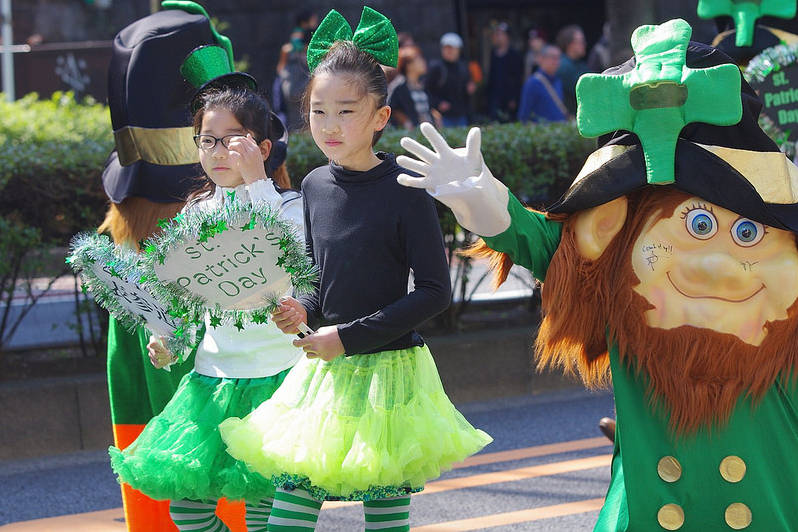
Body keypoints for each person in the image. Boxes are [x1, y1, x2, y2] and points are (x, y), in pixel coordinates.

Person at [398, 18, 798, 531]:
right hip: (650, 511)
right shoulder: (616, 240)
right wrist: (482, 200)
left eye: (742, 232)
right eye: (695, 224)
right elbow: (542, 243)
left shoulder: (782, 229)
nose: (714, 262)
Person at [219, 8, 492, 531]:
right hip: (324, 375)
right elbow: (322, 281)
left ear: (380, 118)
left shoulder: (407, 186)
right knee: (288, 518)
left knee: (384, 522)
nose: (330, 126)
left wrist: (345, 337)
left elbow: (435, 292)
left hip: (390, 378)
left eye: (346, 111)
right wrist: (304, 307)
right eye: (318, 112)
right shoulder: (316, 185)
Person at [109, 54, 305, 532]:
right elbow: (191, 303)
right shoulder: (195, 215)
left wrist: (258, 183)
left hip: (281, 375)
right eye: (207, 140)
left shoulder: (292, 206)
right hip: (212, 378)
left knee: (264, 511)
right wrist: (171, 340)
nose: (218, 152)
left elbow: (293, 258)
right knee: (190, 511)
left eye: (232, 140)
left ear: (262, 146)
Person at [276, 10, 318, 132]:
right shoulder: (299, 38)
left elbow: (280, 67)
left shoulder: (292, 45)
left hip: (292, 85)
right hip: (297, 84)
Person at [427, 32, 475, 128]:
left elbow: (467, 90)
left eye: (452, 48)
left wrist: (470, 89)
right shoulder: (436, 67)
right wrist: (438, 103)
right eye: (446, 48)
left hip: (461, 116)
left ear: (459, 50)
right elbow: (427, 90)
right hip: (442, 117)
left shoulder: (464, 67)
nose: (449, 51)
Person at [388, 45, 440, 129]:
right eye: (419, 60)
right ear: (409, 65)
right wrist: (405, 121)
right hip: (412, 135)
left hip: (428, 132)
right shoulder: (399, 87)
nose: (423, 62)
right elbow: (390, 109)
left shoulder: (422, 85)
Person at [517, 44, 568, 123]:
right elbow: (524, 114)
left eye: (559, 58)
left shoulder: (558, 81)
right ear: (541, 58)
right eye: (553, 58)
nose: (557, 62)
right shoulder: (532, 83)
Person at [486, 22, 523, 122]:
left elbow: (518, 78)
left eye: (500, 34)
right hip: (495, 97)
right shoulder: (492, 54)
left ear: (507, 37)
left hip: (509, 98)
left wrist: (514, 98)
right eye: (496, 35)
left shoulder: (514, 55)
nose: (497, 37)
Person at [555, 24, 589, 116]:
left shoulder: (580, 64)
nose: (584, 44)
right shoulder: (563, 66)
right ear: (570, 45)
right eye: (581, 41)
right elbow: (585, 91)